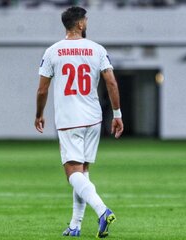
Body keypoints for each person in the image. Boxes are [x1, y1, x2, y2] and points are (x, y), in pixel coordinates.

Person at [34, 6, 124, 238]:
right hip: (93, 118)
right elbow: (111, 83)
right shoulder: (97, 49)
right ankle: (75, 225)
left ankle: (103, 211)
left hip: (69, 118)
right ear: (80, 24)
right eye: (86, 19)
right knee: (82, 172)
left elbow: (42, 89)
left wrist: (39, 113)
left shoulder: (53, 51)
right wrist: (117, 115)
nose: (87, 22)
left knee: (72, 172)